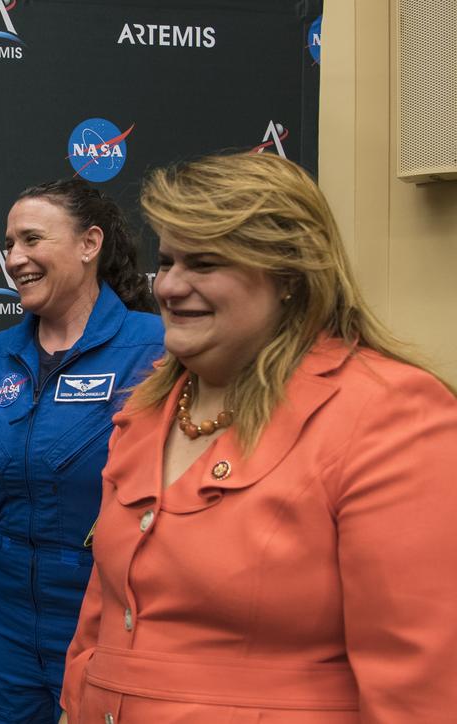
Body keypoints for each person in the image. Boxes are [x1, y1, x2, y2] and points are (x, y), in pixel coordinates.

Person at [60, 153, 457, 723]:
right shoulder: (145, 410)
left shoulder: (390, 414)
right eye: (168, 260)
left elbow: (419, 685)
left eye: (203, 262)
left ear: (289, 277)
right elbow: (102, 613)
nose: (169, 286)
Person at [0, 180, 165, 723]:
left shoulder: (155, 348)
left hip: (111, 622)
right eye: (10, 244)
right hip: (5, 627)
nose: (14, 258)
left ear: (89, 244)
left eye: (32, 240)